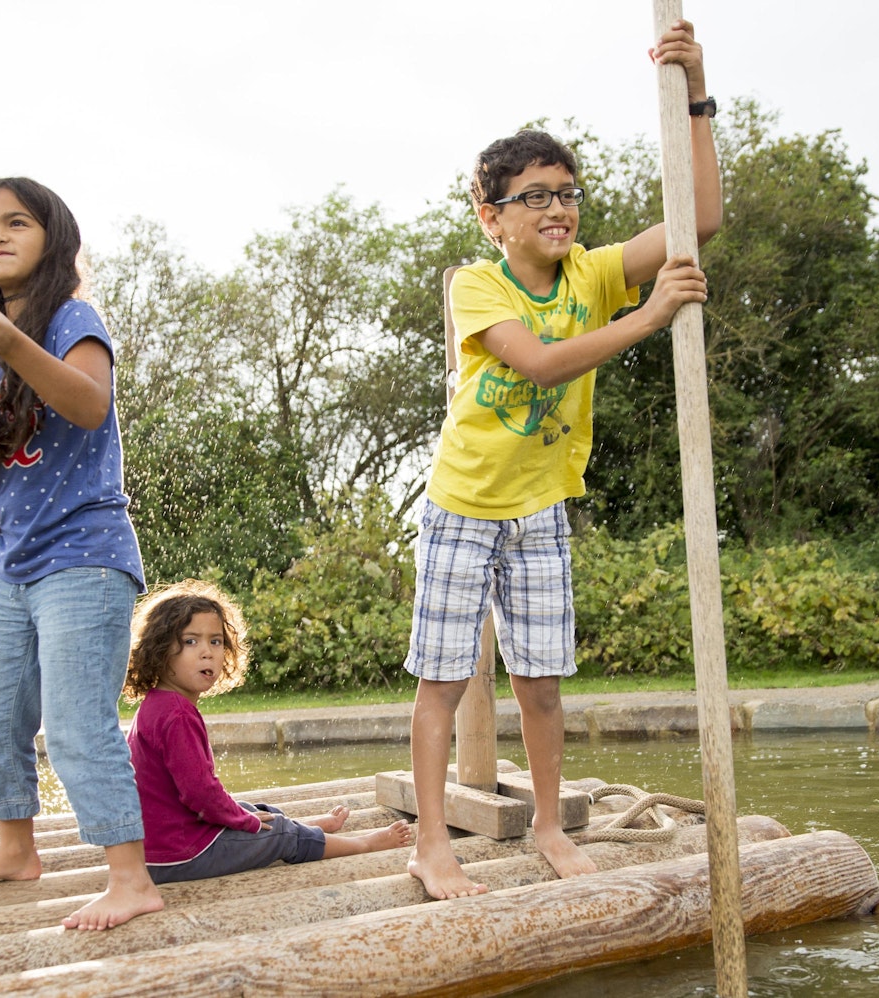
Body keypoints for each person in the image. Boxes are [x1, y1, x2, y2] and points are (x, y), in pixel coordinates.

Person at [403, 20, 724, 900]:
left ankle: (549, 823)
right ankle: (430, 843)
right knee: (442, 681)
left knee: (540, 685)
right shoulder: (477, 285)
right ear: (492, 217)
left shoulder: (593, 272)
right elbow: (541, 363)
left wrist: (696, 92)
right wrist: (649, 317)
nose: (558, 210)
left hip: (540, 507)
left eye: (568, 193)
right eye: (535, 196)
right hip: (463, 503)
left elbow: (699, 218)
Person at [0, 176, 163, 931]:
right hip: (16, 562)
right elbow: (14, 450)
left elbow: (88, 405)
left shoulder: (71, 319)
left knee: (75, 722)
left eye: (17, 222)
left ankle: (130, 878)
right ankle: (15, 847)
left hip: (84, 556)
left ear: (53, 236)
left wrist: (11, 342)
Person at [126, 579, 414, 883]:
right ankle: (362, 844)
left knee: (250, 809)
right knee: (281, 834)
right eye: (190, 641)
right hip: (182, 854)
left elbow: (197, 795)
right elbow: (200, 793)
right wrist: (244, 822)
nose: (207, 652)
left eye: (216, 641)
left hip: (160, 847)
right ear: (160, 649)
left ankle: (307, 829)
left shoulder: (158, 704)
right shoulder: (177, 715)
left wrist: (242, 815)